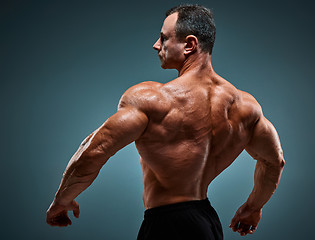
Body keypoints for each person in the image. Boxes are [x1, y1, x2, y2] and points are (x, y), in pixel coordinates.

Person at [46, 4, 285, 239]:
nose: (156, 45)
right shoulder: (246, 107)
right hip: (207, 222)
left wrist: (62, 200)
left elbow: (94, 152)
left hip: (167, 225)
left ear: (189, 44)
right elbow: (274, 161)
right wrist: (253, 207)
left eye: (164, 38)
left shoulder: (152, 99)